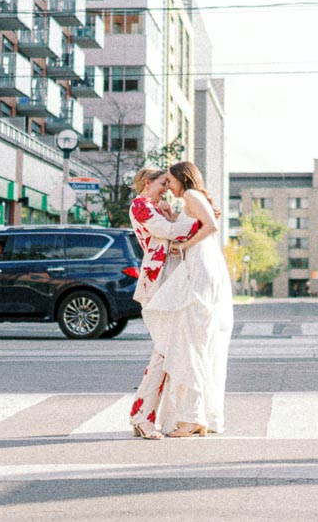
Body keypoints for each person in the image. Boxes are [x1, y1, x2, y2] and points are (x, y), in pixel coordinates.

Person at [141, 160, 233, 438]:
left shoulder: (193, 195)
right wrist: (171, 218)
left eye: (169, 179)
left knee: (191, 341)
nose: (167, 185)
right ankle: (196, 416)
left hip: (200, 270)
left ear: (182, 178)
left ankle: (193, 418)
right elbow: (193, 226)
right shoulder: (189, 201)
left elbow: (211, 226)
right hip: (196, 267)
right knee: (190, 341)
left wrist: (183, 246)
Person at [126, 167, 198, 440]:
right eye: (162, 183)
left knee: (167, 352)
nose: (167, 189)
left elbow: (170, 232)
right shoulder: (141, 206)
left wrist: (174, 214)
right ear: (147, 183)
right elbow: (169, 232)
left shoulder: (152, 207)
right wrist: (198, 219)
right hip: (157, 285)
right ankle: (142, 417)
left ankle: (147, 415)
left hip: (167, 282)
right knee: (164, 352)